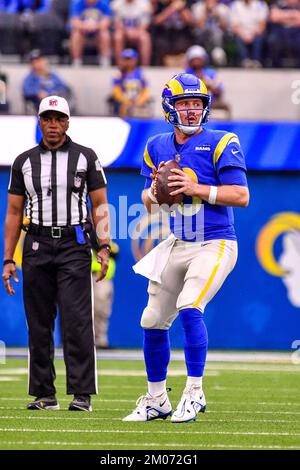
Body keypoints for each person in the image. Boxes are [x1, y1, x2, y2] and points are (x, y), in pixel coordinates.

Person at [123, 72, 249, 422]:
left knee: (190, 305)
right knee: (151, 320)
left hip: (216, 241)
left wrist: (196, 188)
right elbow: (149, 202)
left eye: (197, 104)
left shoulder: (223, 141)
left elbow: (241, 195)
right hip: (178, 241)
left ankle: (194, 393)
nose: (192, 111)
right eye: (184, 104)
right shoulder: (156, 146)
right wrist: (157, 192)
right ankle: (156, 399)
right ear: (170, 108)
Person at [2, 95, 110, 412]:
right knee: (38, 321)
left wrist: (103, 246)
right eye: (47, 119)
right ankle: (44, 394)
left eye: (58, 119)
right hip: (35, 243)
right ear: (40, 122)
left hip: (73, 243)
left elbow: (100, 205)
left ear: (67, 122)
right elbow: (12, 213)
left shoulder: (86, 157)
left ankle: (81, 394)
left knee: (77, 320)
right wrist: (8, 258)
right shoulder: (23, 161)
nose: (52, 125)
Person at [185, 44, 231, 118]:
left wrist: (208, 84)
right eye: (194, 59)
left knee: (225, 106)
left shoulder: (211, 73)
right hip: (191, 102)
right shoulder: (185, 74)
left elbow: (218, 91)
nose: (197, 62)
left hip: (212, 101)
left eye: (199, 59)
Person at [91, 237, 119, 348]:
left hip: (106, 279)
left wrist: (104, 245)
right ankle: (91, 339)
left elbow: (116, 251)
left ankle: (101, 340)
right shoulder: (88, 238)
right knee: (94, 310)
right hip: (95, 276)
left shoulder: (108, 241)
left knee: (103, 311)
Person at [109, 48, 151, 117]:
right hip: (123, 103)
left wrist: (139, 101)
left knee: (142, 110)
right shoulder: (119, 74)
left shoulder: (141, 74)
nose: (128, 62)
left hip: (138, 102)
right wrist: (126, 101)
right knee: (123, 108)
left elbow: (146, 90)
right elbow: (116, 91)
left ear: (135, 60)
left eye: (130, 59)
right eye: (126, 59)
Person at [69, 0, 112, 66]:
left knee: (105, 34)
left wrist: (95, 26)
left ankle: (105, 59)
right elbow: (75, 22)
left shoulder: (104, 4)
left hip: (98, 32)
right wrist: (85, 26)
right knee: (76, 34)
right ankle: (76, 60)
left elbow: (106, 22)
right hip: (83, 32)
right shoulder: (78, 4)